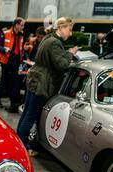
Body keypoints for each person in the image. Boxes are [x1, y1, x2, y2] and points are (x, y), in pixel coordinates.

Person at [16, 17, 78, 157]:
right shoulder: (55, 43)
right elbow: (62, 65)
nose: (71, 33)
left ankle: (19, 142)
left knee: (26, 114)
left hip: (35, 80)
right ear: (61, 28)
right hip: (42, 83)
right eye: (69, 29)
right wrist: (70, 54)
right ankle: (24, 147)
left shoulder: (48, 38)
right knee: (30, 116)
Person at [0, 17, 25, 112]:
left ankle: (13, 102)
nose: (23, 27)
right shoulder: (5, 33)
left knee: (14, 82)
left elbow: (20, 48)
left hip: (16, 60)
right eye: (22, 25)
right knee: (4, 80)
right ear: (16, 25)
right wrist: (5, 49)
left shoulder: (21, 36)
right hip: (6, 60)